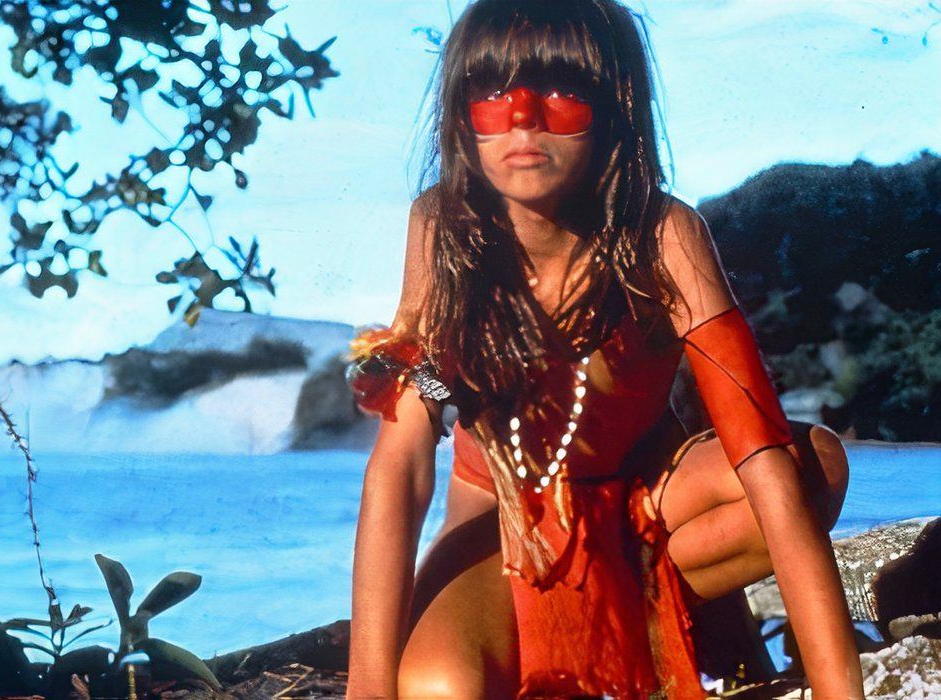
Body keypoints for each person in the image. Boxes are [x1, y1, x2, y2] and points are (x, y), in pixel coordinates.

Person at [344, 0, 865, 698]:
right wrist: (366, 686)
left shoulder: (663, 236)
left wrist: (840, 689)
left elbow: (760, 453)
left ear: (614, 102)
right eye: (492, 94)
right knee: (442, 688)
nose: (523, 117)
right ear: (461, 115)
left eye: (560, 92)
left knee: (814, 467)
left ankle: (639, 600)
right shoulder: (444, 233)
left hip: (647, 508)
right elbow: (403, 461)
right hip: (504, 528)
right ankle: (642, 613)